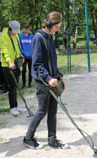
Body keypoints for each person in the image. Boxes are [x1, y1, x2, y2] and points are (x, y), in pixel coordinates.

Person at [23, 11, 69, 149]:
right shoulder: (38, 38)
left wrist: (59, 76)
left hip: (52, 80)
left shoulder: (50, 37)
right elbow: (37, 65)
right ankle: (28, 137)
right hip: (43, 82)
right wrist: (49, 78)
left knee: (53, 111)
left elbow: (51, 61)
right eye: (57, 26)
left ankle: (52, 139)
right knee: (42, 111)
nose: (58, 29)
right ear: (50, 24)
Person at [0, 20, 27, 116]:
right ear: (10, 28)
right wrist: (9, 61)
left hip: (16, 63)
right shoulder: (3, 36)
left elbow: (17, 47)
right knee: (12, 86)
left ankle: (16, 105)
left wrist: (21, 55)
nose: (15, 33)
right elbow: (4, 50)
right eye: (14, 31)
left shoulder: (15, 36)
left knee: (16, 85)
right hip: (8, 65)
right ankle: (12, 107)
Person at [19, 24, 33, 88]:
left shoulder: (32, 36)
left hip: (31, 56)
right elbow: (19, 46)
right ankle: (23, 84)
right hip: (23, 57)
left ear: (30, 30)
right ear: (24, 29)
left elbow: (34, 46)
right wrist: (21, 54)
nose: (27, 30)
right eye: (26, 29)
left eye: (28, 29)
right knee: (23, 70)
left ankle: (29, 83)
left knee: (31, 70)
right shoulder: (20, 36)